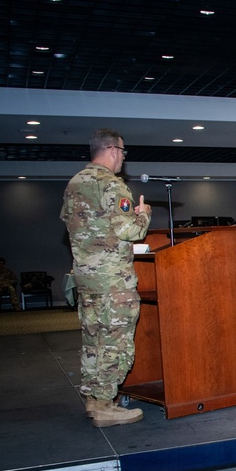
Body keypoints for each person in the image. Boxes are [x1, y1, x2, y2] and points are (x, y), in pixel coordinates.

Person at [60, 128, 151, 427]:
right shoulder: (112, 185)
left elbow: (72, 228)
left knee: (93, 342)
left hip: (86, 281)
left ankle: (94, 401)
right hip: (114, 283)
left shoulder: (74, 184)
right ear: (112, 150)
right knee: (115, 344)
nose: (124, 157)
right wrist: (143, 213)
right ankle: (105, 406)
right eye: (123, 152)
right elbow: (131, 231)